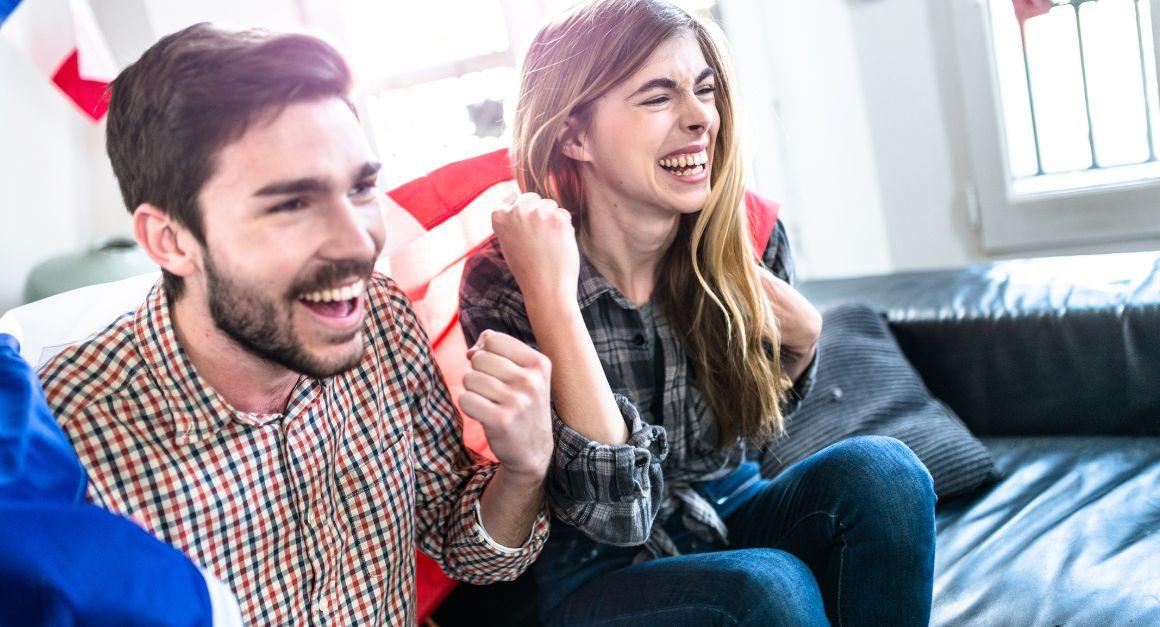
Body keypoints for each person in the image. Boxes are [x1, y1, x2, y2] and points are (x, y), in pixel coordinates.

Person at [37, 24, 553, 625]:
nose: (359, 243)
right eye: (291, 204)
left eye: (361, 187)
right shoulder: (54, 442)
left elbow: (460, 543)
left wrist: (523, 469)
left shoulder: (380, 315)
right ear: (171, 241)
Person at [459, 1, 937, 624]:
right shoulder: (505, 279)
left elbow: (760, 431)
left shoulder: (751, 237)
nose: (700, 118)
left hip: (730, 503)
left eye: (704, 90)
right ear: (575, 135)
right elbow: (616, 516)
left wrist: (805, 344)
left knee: (888, 475)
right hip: (597, 567)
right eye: (659, 98)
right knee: (768, 585)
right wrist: (553, 297)